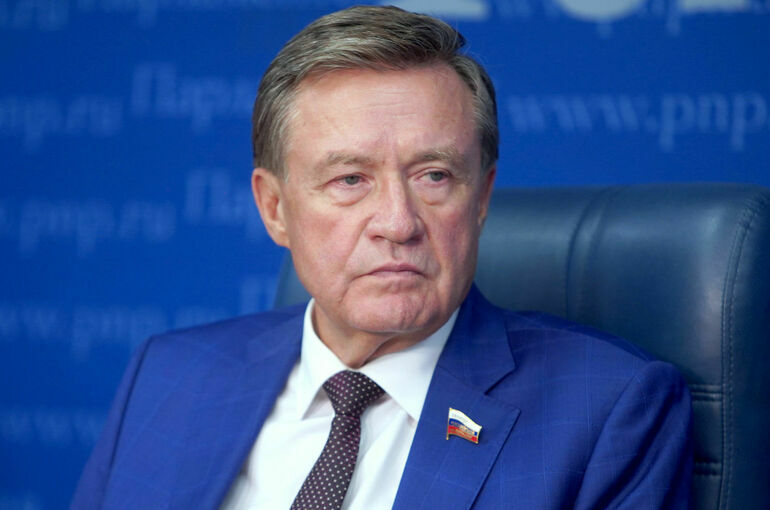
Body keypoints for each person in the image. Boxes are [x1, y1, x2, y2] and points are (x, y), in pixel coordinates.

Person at [71, 5, 692, 509]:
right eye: (350, 179)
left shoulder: (607, 411)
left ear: (481, 197)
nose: (398, 223)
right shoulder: (170, 375)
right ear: (275, 208)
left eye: (434, 175)